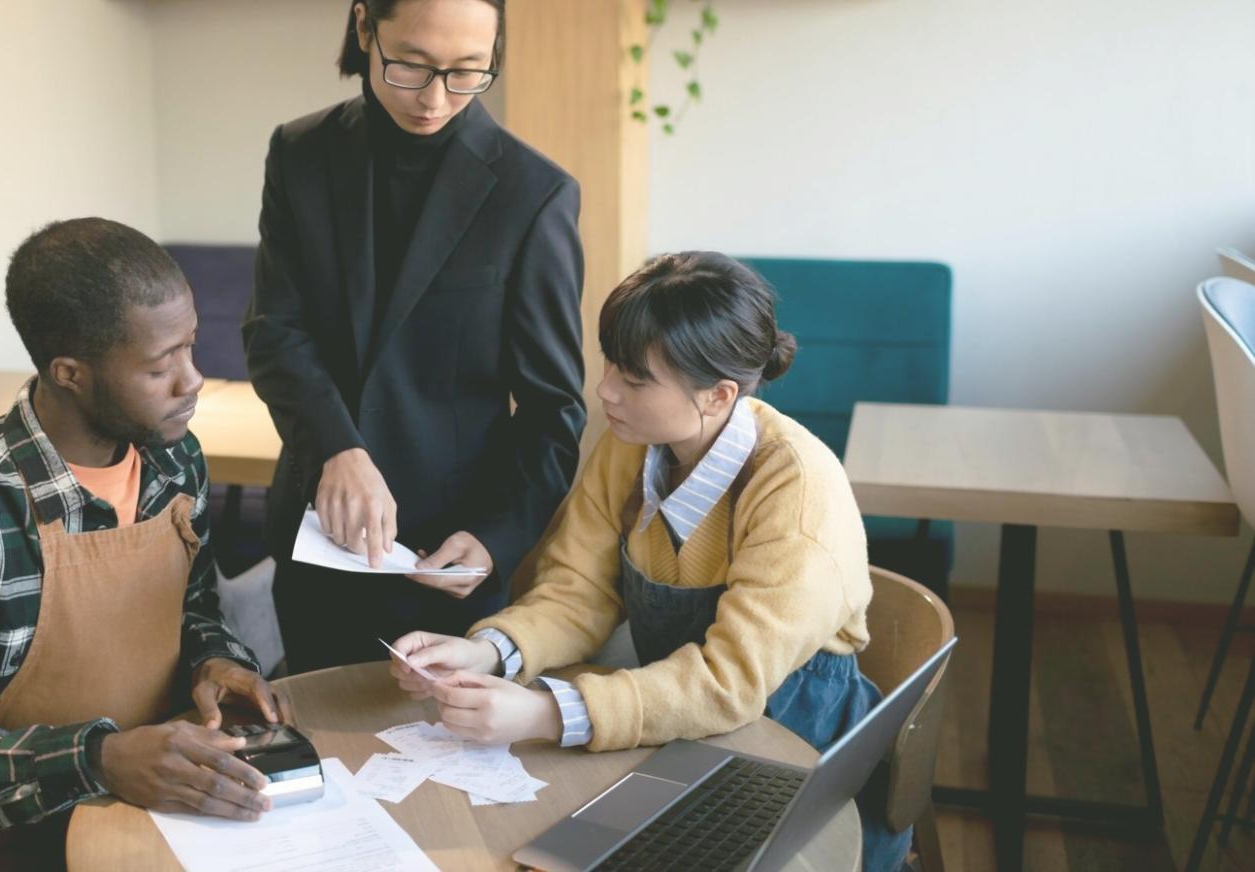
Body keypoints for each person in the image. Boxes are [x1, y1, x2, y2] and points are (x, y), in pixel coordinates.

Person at [388, 252, 912, 871]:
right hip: (671, 718)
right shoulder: (629, 446)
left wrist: (548, 711)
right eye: (611, 362)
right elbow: (577, 591)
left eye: (635, 379)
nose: (606, 389)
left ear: (718, 395)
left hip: (793, 746)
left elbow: (728, 683)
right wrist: (490, 651)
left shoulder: (795, 490)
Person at [0, 218, 290, 871]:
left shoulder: (174, 460)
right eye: (160, 364)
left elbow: (190, 611)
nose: (191, 380)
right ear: (70, 373)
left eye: (190, 347)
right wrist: (99, 760)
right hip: (12, 844)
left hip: (158, 809)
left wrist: (215, 663)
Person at [243, 0, 586, 671]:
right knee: (324, 749)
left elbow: (555, 407)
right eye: (411, 65)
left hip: (446, 557)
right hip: (316, 539)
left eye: (467, 71)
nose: (435, 99)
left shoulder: (533, 195)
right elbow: (276, 331)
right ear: (364, 25)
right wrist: (337, 446)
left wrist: (497, 537)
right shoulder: (299, 154)